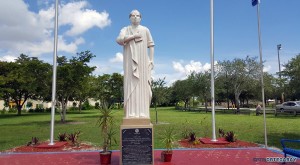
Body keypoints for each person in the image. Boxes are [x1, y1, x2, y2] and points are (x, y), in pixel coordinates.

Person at [116, 10, 155, 118]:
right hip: (130, 63)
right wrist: (133, 36)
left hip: (143, 62)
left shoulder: (145, 29)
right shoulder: (125, 29)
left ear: (140, 18)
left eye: (137, 16)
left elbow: (151, 45)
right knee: (131, 85)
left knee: (143, 87)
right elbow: (119, 40)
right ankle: (131, 113)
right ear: (130, 18)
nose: (135, 17)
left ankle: (143, 112)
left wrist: (151, 60)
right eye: (133, 16)